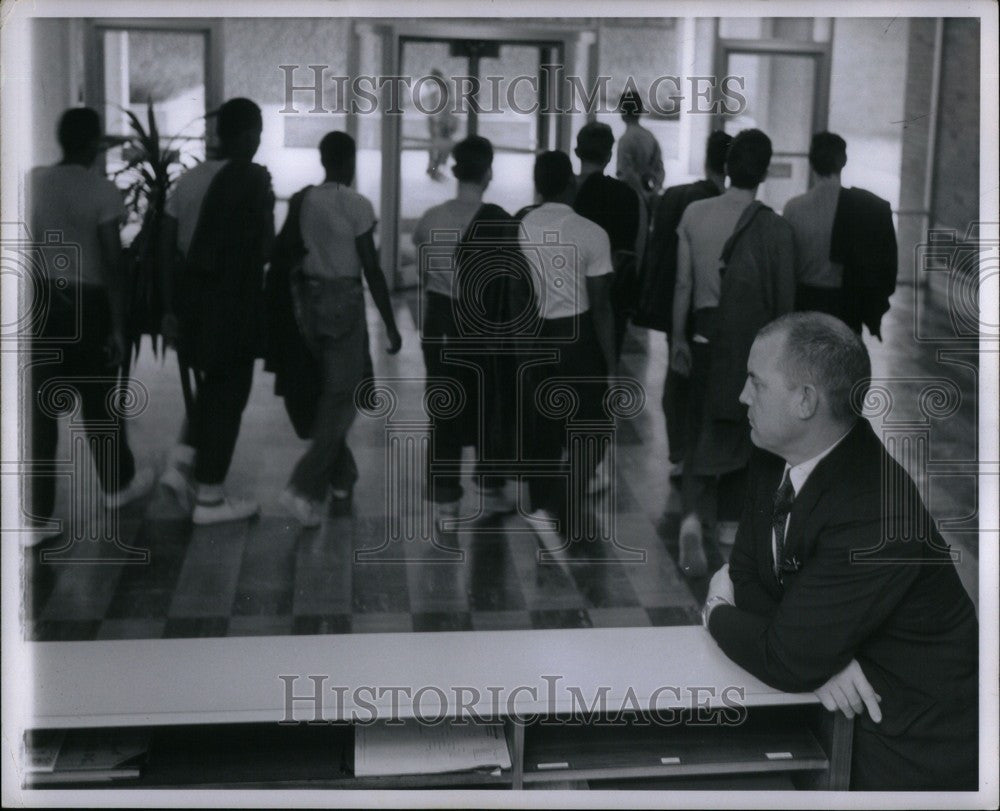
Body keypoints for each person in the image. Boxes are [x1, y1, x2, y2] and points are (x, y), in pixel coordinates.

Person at [704, 312, 978, 791]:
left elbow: (783, 653)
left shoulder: (876, 516)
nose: (742, 396)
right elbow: (748, 571)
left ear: (806, 401)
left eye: (756, 382)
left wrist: (715, 611)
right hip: (831, 715)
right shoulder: (773, 453)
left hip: (908, 749)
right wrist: (815, 658)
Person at [25, 108, 155, 546]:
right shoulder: (102, 191)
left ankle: (36, 517)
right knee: (99, 399)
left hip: (41, 298)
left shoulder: (34, 181)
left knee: (40, 410)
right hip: (88, 301)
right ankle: (117, 486)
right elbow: (113, 265)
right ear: (92, 144)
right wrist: (119, 326)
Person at [671, 128, 794, 577]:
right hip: (751, 349)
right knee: (746, 434)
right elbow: (785, 308)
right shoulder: (775, 228)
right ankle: (727, 527)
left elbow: (683, 284)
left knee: (699, 425)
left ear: (725, 168)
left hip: (703, 337)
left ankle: (688, 519)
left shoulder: (694, 212)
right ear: (762, 173)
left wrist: (678, 338)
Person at [159, 98, 274, 525]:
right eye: (257, 133)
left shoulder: (186, 182)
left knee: (211, 383)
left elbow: (167, 247)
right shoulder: (254, 180)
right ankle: (209, 495)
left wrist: (170, 308)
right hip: (233, 303)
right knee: (231, 392)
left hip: (191, 300)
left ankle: (181, 462)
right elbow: (263, 248)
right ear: (246, 135)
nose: (258, 142)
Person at [278, 131, 401, 526]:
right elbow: (371, 267)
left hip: (309, 305)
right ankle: (302, 485)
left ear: (322, 159)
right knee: (341, 400)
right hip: (345, 303)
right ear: (349, 162)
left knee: (331, 395)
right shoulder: (358, 205)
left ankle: (343, 479)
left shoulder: (304, 200)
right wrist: (390, 324)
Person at [413, 136, 516, 527]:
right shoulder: (500, 221)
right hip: (483, 325)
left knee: (445, 408)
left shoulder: (431, 219)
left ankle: (446, 505)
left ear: (455, 172)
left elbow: (423, 268)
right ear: (488, 173)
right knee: (490, 402)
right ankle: (490, 489)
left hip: (440, 324)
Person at [519, 151, 616, 551]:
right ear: (571, 182)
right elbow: (602, 307)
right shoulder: (591, 232)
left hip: (536, 337)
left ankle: (543, 506)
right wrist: (611, 362)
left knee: (544, 427)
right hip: (578, 339)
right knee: (593, 428)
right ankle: (556, 509)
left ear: (538, 184)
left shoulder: (522, 226)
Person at [636, 130, 732, 513]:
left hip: (671, 306)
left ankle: (679, 453)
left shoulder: (676, 195)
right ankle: (702, 457)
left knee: (676, 380)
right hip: (705, 310)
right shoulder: (720, 206)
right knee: (706, 385)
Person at [783, 132, 898, 338]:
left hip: (805, 301)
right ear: (843, 161)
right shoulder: (863, 207)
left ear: (811, 162)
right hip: (846, 304)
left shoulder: (793, 208)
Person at [572, 121, 641, 363]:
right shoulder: (625, 196)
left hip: (566, 297)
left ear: (576, 152)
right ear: (610, 155)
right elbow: (628, 254)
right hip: (609, 300)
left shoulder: (565, 191)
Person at [615, 89, 664, 270]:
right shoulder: (649, 137)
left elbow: (625, 174)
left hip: (629, 200)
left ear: (622, 111)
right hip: (648, 199)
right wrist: (652, 191)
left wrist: (640, 193)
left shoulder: (625, 140)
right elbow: (659, 169)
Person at [423, 69, 459, 182]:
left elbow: (445, 106)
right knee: (440, 146)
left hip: (440, 122)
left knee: (439, 146)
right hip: (440, 122)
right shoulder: (440, 88)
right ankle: (434, 168)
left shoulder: (439, 89)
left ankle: (434, 168)